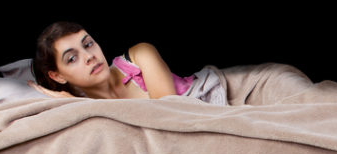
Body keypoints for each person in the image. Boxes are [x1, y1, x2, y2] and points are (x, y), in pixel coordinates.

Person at [31, 21, 225, 104]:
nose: (89, 56)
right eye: (72, 58)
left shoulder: (141, 55)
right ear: (57, 76)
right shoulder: (85, 109)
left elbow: (170, 114)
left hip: (209, 102)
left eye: (88, 44)